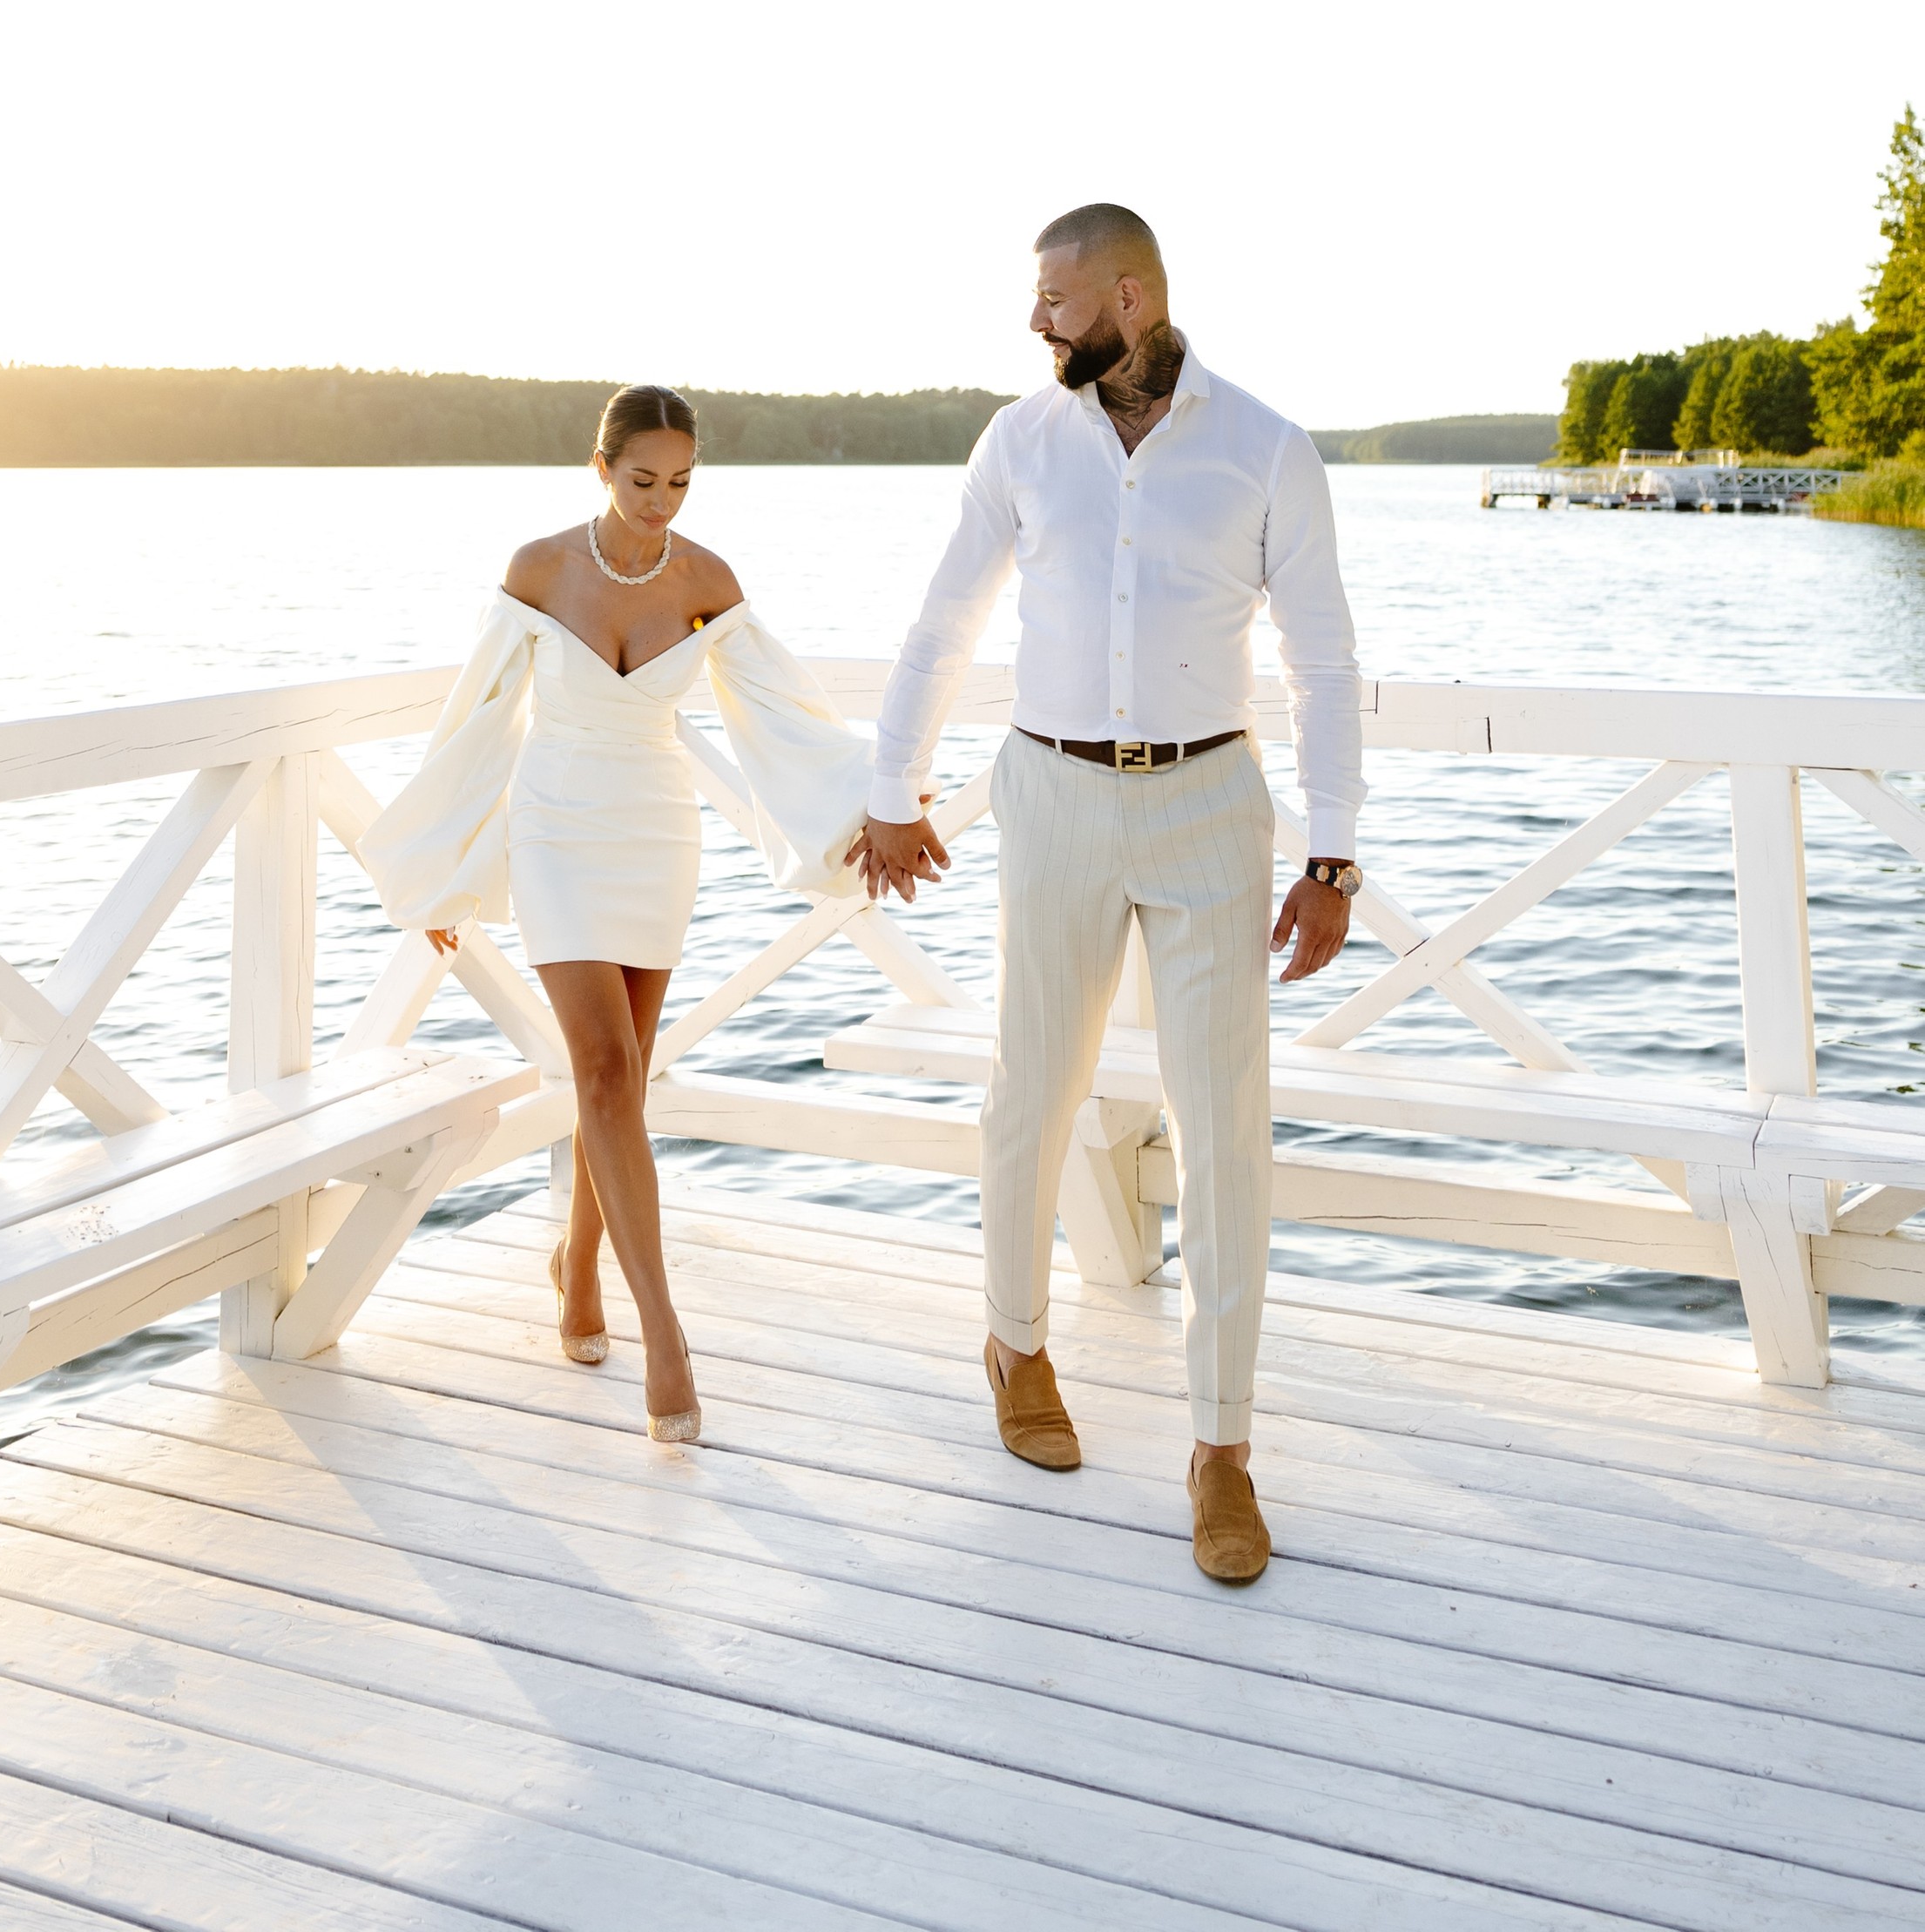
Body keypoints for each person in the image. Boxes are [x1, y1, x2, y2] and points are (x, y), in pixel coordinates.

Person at [849, 205, 1362, 1585]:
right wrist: (891, 791)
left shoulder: (1263, 447)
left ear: (1129, 298)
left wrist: (1331, 855)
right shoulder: (1020, 442)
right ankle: (1014, 1346)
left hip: (1209, 805)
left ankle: (1221, 1449)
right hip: (1055, 794)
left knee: (1224, 1130)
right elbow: (944, 621)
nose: (1037, 323)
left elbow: (1320, 662)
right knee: (1032, 1090)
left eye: (1058, 301)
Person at [356, 383, 870, 1449]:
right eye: (643, 480)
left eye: (682, 482)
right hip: (555, 830)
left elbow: (787, 715)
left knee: (623, 1076)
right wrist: (446, 871)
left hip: (653, 832)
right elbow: (477, 726)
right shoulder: (538, 569)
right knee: (599, 1070)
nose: (662, 503)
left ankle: (579, 1260)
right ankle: (666, 1333)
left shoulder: (704, 579)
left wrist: (874, 812)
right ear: (601, 467)